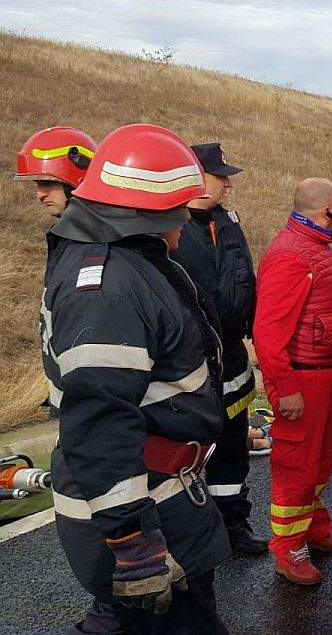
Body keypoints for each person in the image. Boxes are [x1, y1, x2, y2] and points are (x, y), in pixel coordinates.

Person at [40, 123, 230, 633]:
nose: (182, 229)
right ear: (145, 213)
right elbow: (99, 419)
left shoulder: (120, 265)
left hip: (160, 494)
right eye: (179, 215)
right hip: (142, 510)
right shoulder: (107, 289)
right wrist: (134, 544)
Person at [253, 177, 332, 585]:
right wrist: (286, 387)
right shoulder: (291, 256)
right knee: (296, 466)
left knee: (321, 460)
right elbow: (268, 331)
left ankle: (312, 528)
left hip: (325, 376)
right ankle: (287, 546)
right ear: (328, 211)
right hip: (303, 379)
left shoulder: (318, 250)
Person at [169, 142, 267, 555]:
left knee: (231, 448)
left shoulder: (226, 220)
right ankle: (189, 534)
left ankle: (233, 525)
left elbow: (244, 275)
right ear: (192, 176)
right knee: (185, 452)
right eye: (218, 175)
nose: (227, 183)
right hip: (190, 364)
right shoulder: (169, 227)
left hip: (232, 357)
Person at [14, 126, 96, 217]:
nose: (40, 195)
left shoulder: (98, 230)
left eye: (48, 183)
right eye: (38, 183)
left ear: (78, 184)